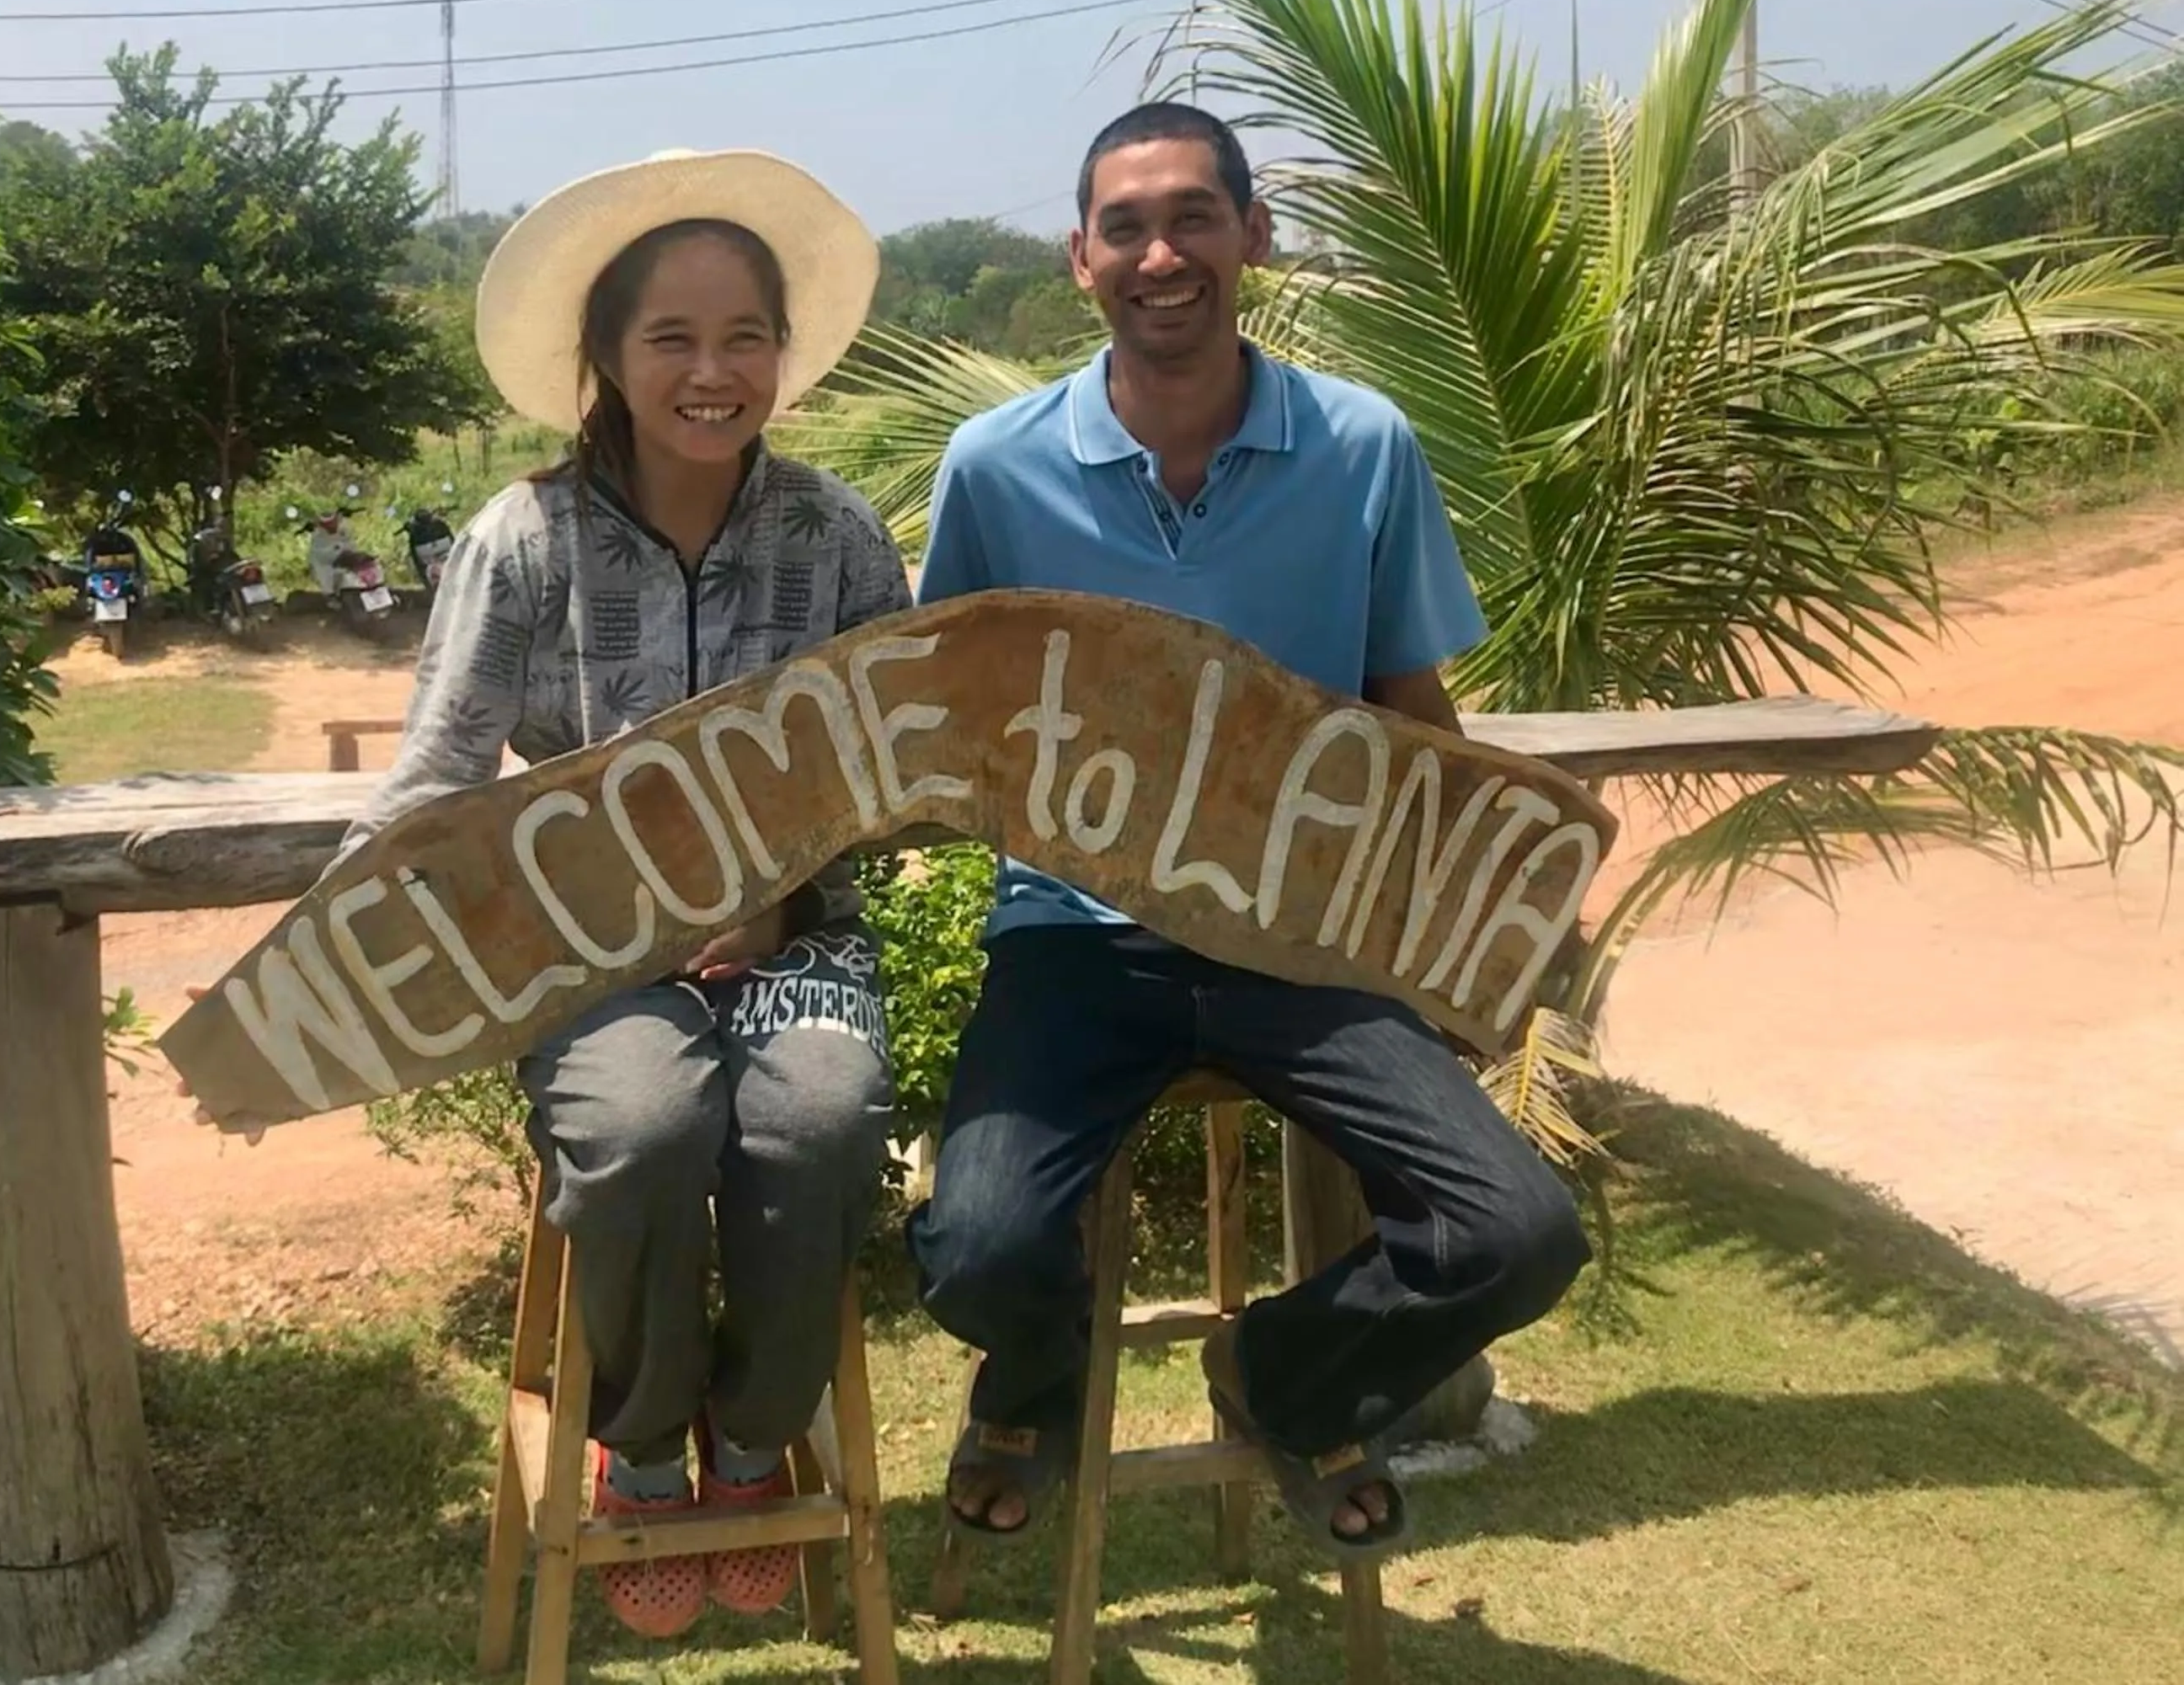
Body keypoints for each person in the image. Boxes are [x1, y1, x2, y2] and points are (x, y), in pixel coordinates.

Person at [907, 102, 1590, 1565]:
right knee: (977, 1249)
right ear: (1080, 258)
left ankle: (1284, 1373)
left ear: (1254, 238)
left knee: (1520, 1233)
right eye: (1128, 225)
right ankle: (1033, 1380)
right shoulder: (993, 466)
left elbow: (1412, 711)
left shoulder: (1365, 446)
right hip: (1074, 939)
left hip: (1309, 938)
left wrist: (1453, 930)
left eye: (1194, 217)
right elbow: (943, 725)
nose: (1163, 252)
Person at [340, 149, 912, 1637]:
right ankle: (645, 1447)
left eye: (744, 337)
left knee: (824, 1119)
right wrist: (345, 949)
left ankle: (752, 1434)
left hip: (803, 950)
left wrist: (789, 899)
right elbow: (439, 779)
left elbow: (898, 781)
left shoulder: (839, 538)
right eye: (672, 337)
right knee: (644, 1122)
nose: (712, 372)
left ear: (784, 353)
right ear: (603, 354)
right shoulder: (519, 542)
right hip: (594, 958)